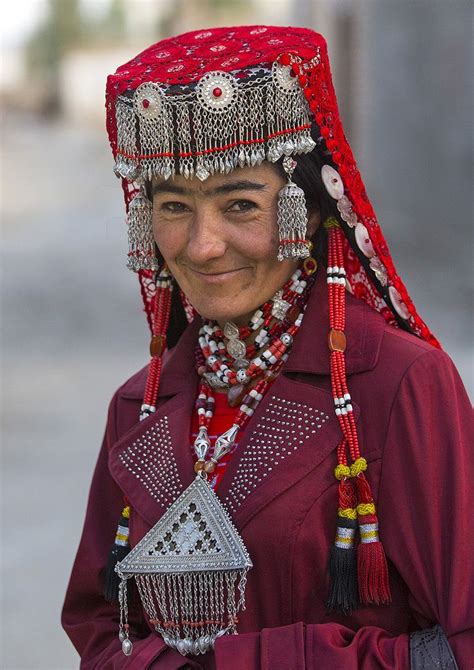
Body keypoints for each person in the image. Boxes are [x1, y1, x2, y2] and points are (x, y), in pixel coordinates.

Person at [62, 25, 473, 669]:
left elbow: (464, 640)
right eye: (174, 206)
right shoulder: (139, 406)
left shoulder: (398, 385)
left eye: (241, 205)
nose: (202, 246)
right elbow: (97, 621)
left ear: (307, 211)